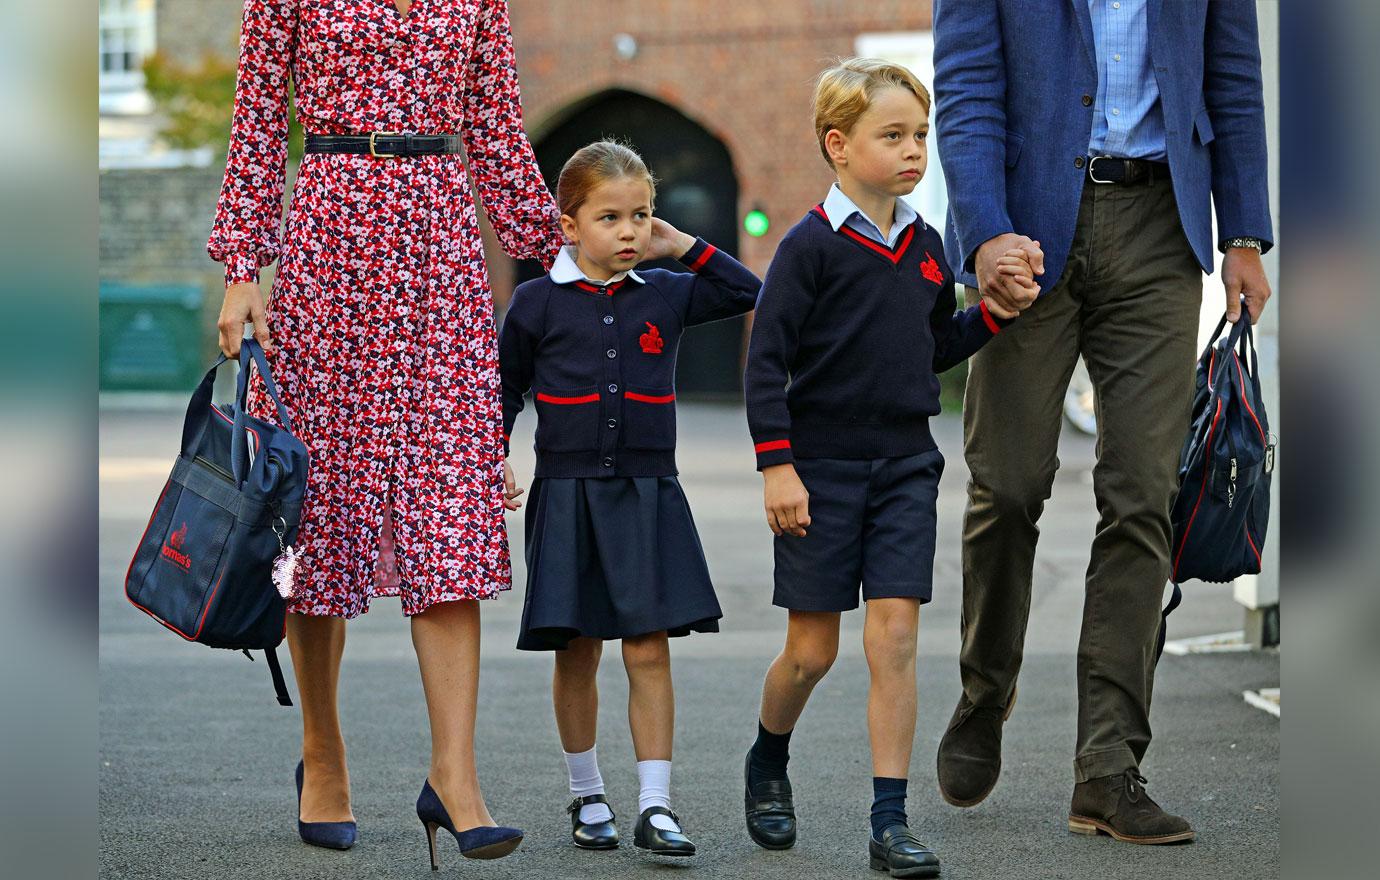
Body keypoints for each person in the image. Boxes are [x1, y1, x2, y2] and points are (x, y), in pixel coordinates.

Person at [206, 0, 563, 866]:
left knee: (450, 507)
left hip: (441, 247)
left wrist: (566, 257)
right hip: (328, 242)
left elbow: (496, 128)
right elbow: (257, 112)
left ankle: (456, 776)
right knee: (318, 512)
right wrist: (241, 268)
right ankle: (323, 757)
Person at [932, 0, 1274, 845]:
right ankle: (984, 690)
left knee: (1143, 496)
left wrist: (1246, 237)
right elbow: (968, 87)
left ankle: (1109, 768)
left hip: (1162, 230)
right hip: (1026, 226)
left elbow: (1233, 79)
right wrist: (983, 236)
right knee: (1008, 486)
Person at [739, 59, 1038, 878]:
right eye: (893, 136)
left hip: (906, 465)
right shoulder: (806, 248)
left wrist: (992, 318)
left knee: (896, 638)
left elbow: (932, 347)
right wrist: (777, 468)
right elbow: (765, 367)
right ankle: (768, 758)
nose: (914, 151)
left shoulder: (929, 245)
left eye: (920, 135)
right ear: (838, 145)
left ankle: (889, 822)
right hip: (820, 472)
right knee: (811, 653)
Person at [499, 141, 761, 858]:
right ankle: (587, 795)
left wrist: (683, 245)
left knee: (648, 649)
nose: (628, 231)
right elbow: (505, 387)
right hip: (567, 493)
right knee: (578, 648)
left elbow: (748, 294)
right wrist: (491, 455)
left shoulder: (667, 292)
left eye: (641, 215)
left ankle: (655, 806)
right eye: (609, 216)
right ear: (568, 226)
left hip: (649, 493)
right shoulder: (535, 301)